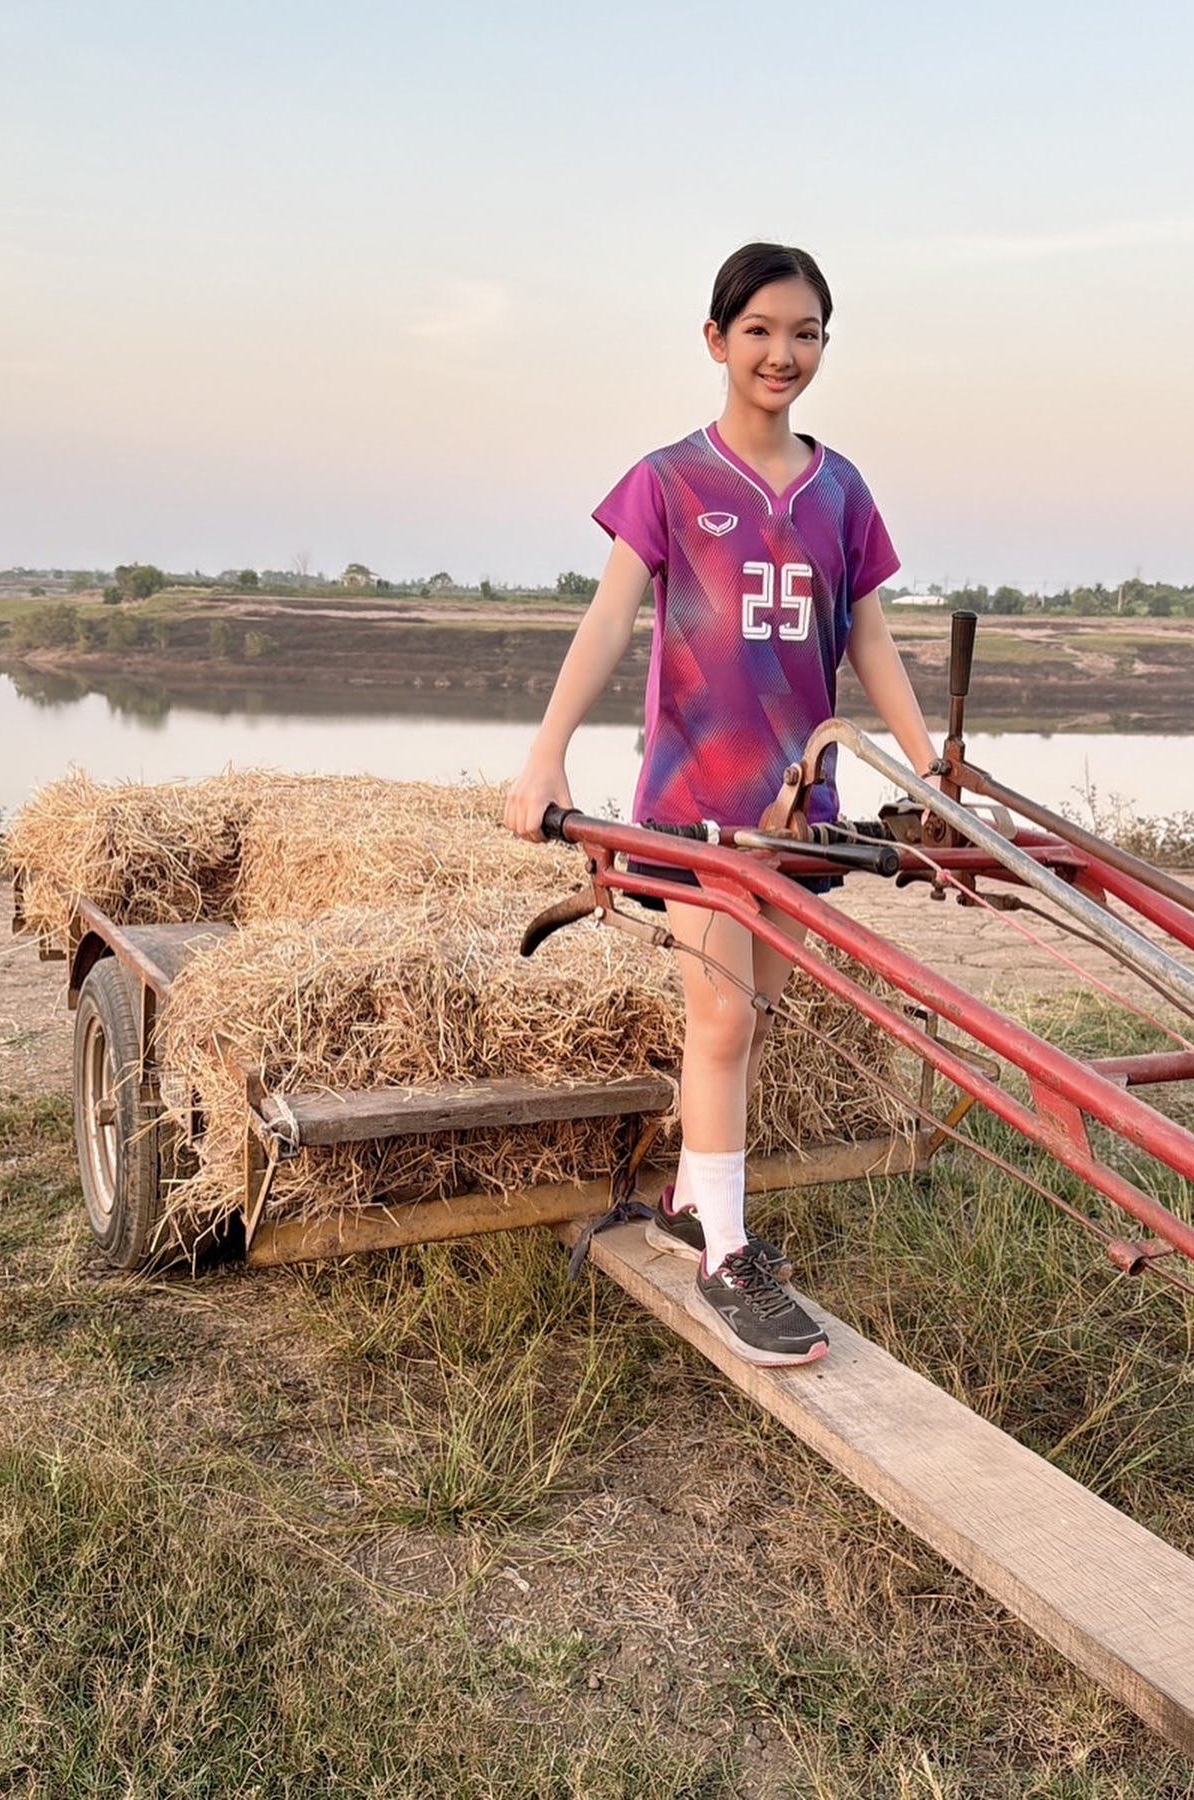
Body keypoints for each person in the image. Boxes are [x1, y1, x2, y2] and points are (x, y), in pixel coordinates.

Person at [505, 242, 939, 1368]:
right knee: (725, 1018)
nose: (781, 353)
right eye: (758, 332)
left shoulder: (841, 490)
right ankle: (728, 1256)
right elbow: (608, 622)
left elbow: (870, 635)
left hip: (799, 810)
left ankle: (701, 1203)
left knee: (755, 1021)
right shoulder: (670, 481)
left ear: (825, 347)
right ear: (716, 341)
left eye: (803, 334)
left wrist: (928, 764)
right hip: (696, 805)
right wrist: (546, 756)